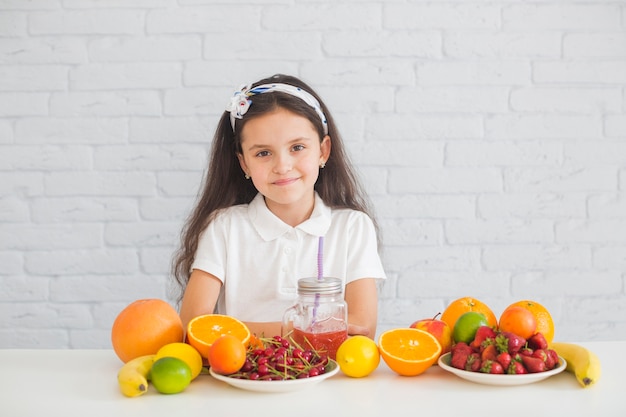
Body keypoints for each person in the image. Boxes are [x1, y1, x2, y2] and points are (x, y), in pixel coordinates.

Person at [171, 74, 386, 339]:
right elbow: (193, 326)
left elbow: (361, 329)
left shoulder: (352, 227)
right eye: (263, 153)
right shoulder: (223, 227)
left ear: (323, 151)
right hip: (243, 379)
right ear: (244, 163)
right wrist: (299, 333)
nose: (282, 166)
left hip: (327, 381)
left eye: (297, 147)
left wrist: (239, 331)